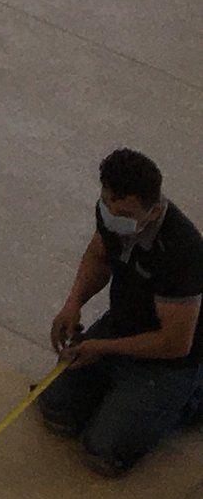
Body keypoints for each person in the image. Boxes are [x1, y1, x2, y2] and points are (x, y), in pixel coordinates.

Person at [41, 147, 203, 477]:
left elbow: (175, 343)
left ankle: (191, 397)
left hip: (169, 363)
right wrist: (74, 303)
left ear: (154, 209)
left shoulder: (181, 252)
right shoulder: (111, 213)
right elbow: (99, 255)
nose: (114, 214)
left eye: (125, 212)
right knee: (54, 408)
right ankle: (122, 397)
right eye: (108, 202)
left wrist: (99, 348)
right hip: (122, 328)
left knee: (104, 451)